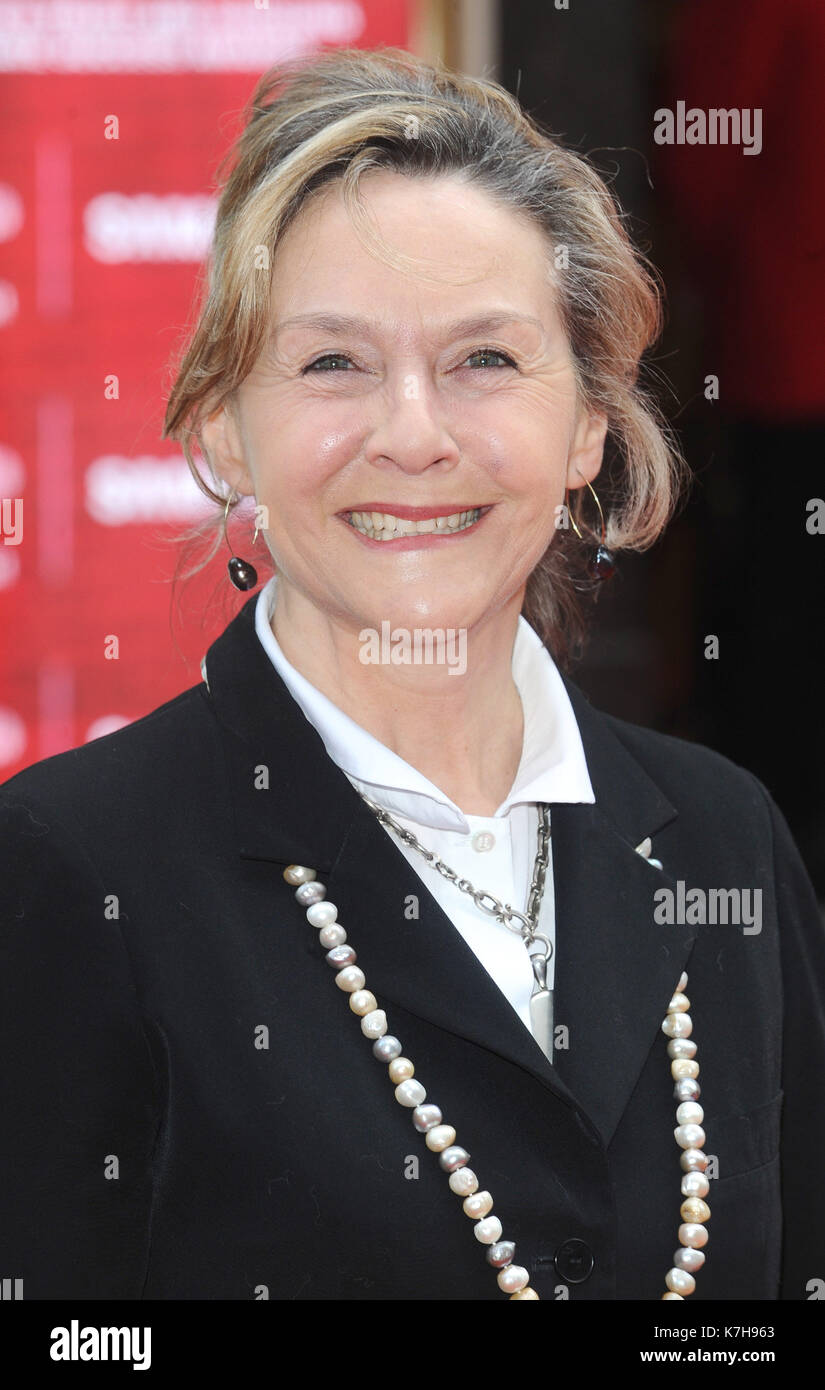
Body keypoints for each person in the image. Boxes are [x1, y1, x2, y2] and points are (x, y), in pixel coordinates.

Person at [1, 46, 823, 1302]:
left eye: (485, 360)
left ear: (588, 425)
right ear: (224, 422)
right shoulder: (67, 868)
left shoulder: (725, 841)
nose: (414, 436)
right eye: (333, 363)